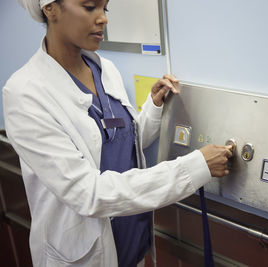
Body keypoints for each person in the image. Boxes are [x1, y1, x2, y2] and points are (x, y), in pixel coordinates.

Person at [3, 0, 233, 266]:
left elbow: (123, 145)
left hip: (132, 242)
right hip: (83, 256)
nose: (103, 19)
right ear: (50, 9)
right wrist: (195, 167)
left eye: (105, 8)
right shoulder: (25, 93)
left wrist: (154, 107)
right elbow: (87, 193)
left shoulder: (105, 69)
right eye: (90, 7)